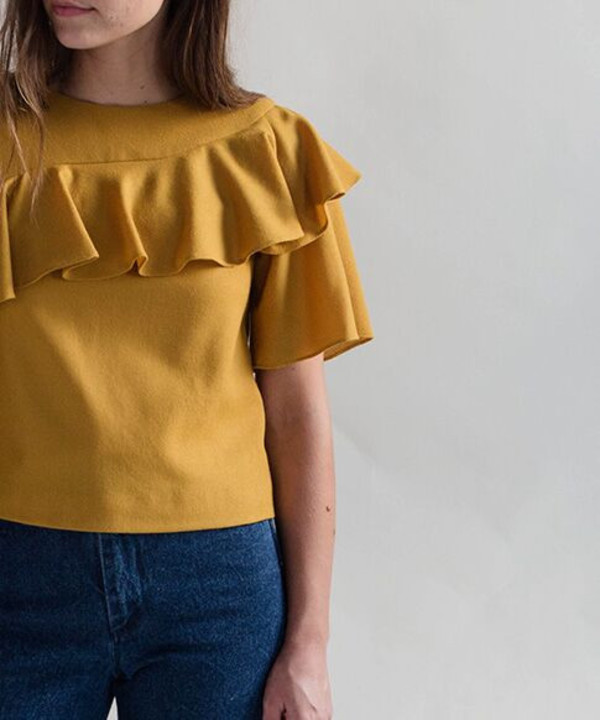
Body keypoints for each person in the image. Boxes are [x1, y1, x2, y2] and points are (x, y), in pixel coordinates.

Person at [0, 0, 374, 718]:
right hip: (18, 569)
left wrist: (310, 645)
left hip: (217, 588)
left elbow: (297, 413)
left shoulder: (267, 150)